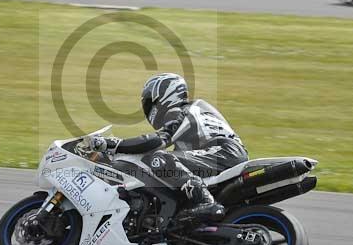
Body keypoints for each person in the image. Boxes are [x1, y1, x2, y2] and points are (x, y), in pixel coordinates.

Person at [89, 73, 248, 223]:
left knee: (159, 158)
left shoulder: (183, 110)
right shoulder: (190, 128)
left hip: (225, 152)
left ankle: (205, 201)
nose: (147, 108)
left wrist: (115, 145)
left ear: (164, 95)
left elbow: (158, 140)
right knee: (164, 167)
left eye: (150, 102)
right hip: (219, 155)